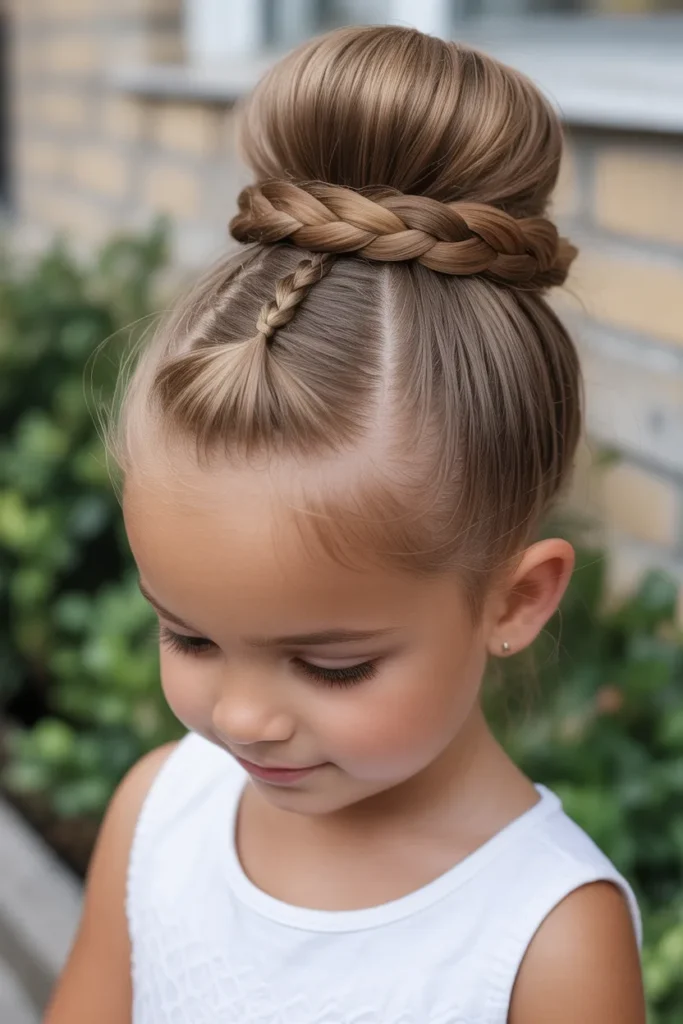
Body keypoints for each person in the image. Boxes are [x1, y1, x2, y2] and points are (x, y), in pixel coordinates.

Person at [45, 24, 646, 1024]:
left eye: (331, 666)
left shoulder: (544, 942)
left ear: (515, 599)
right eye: (187, 636)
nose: (241, 717)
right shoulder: (158, 811)